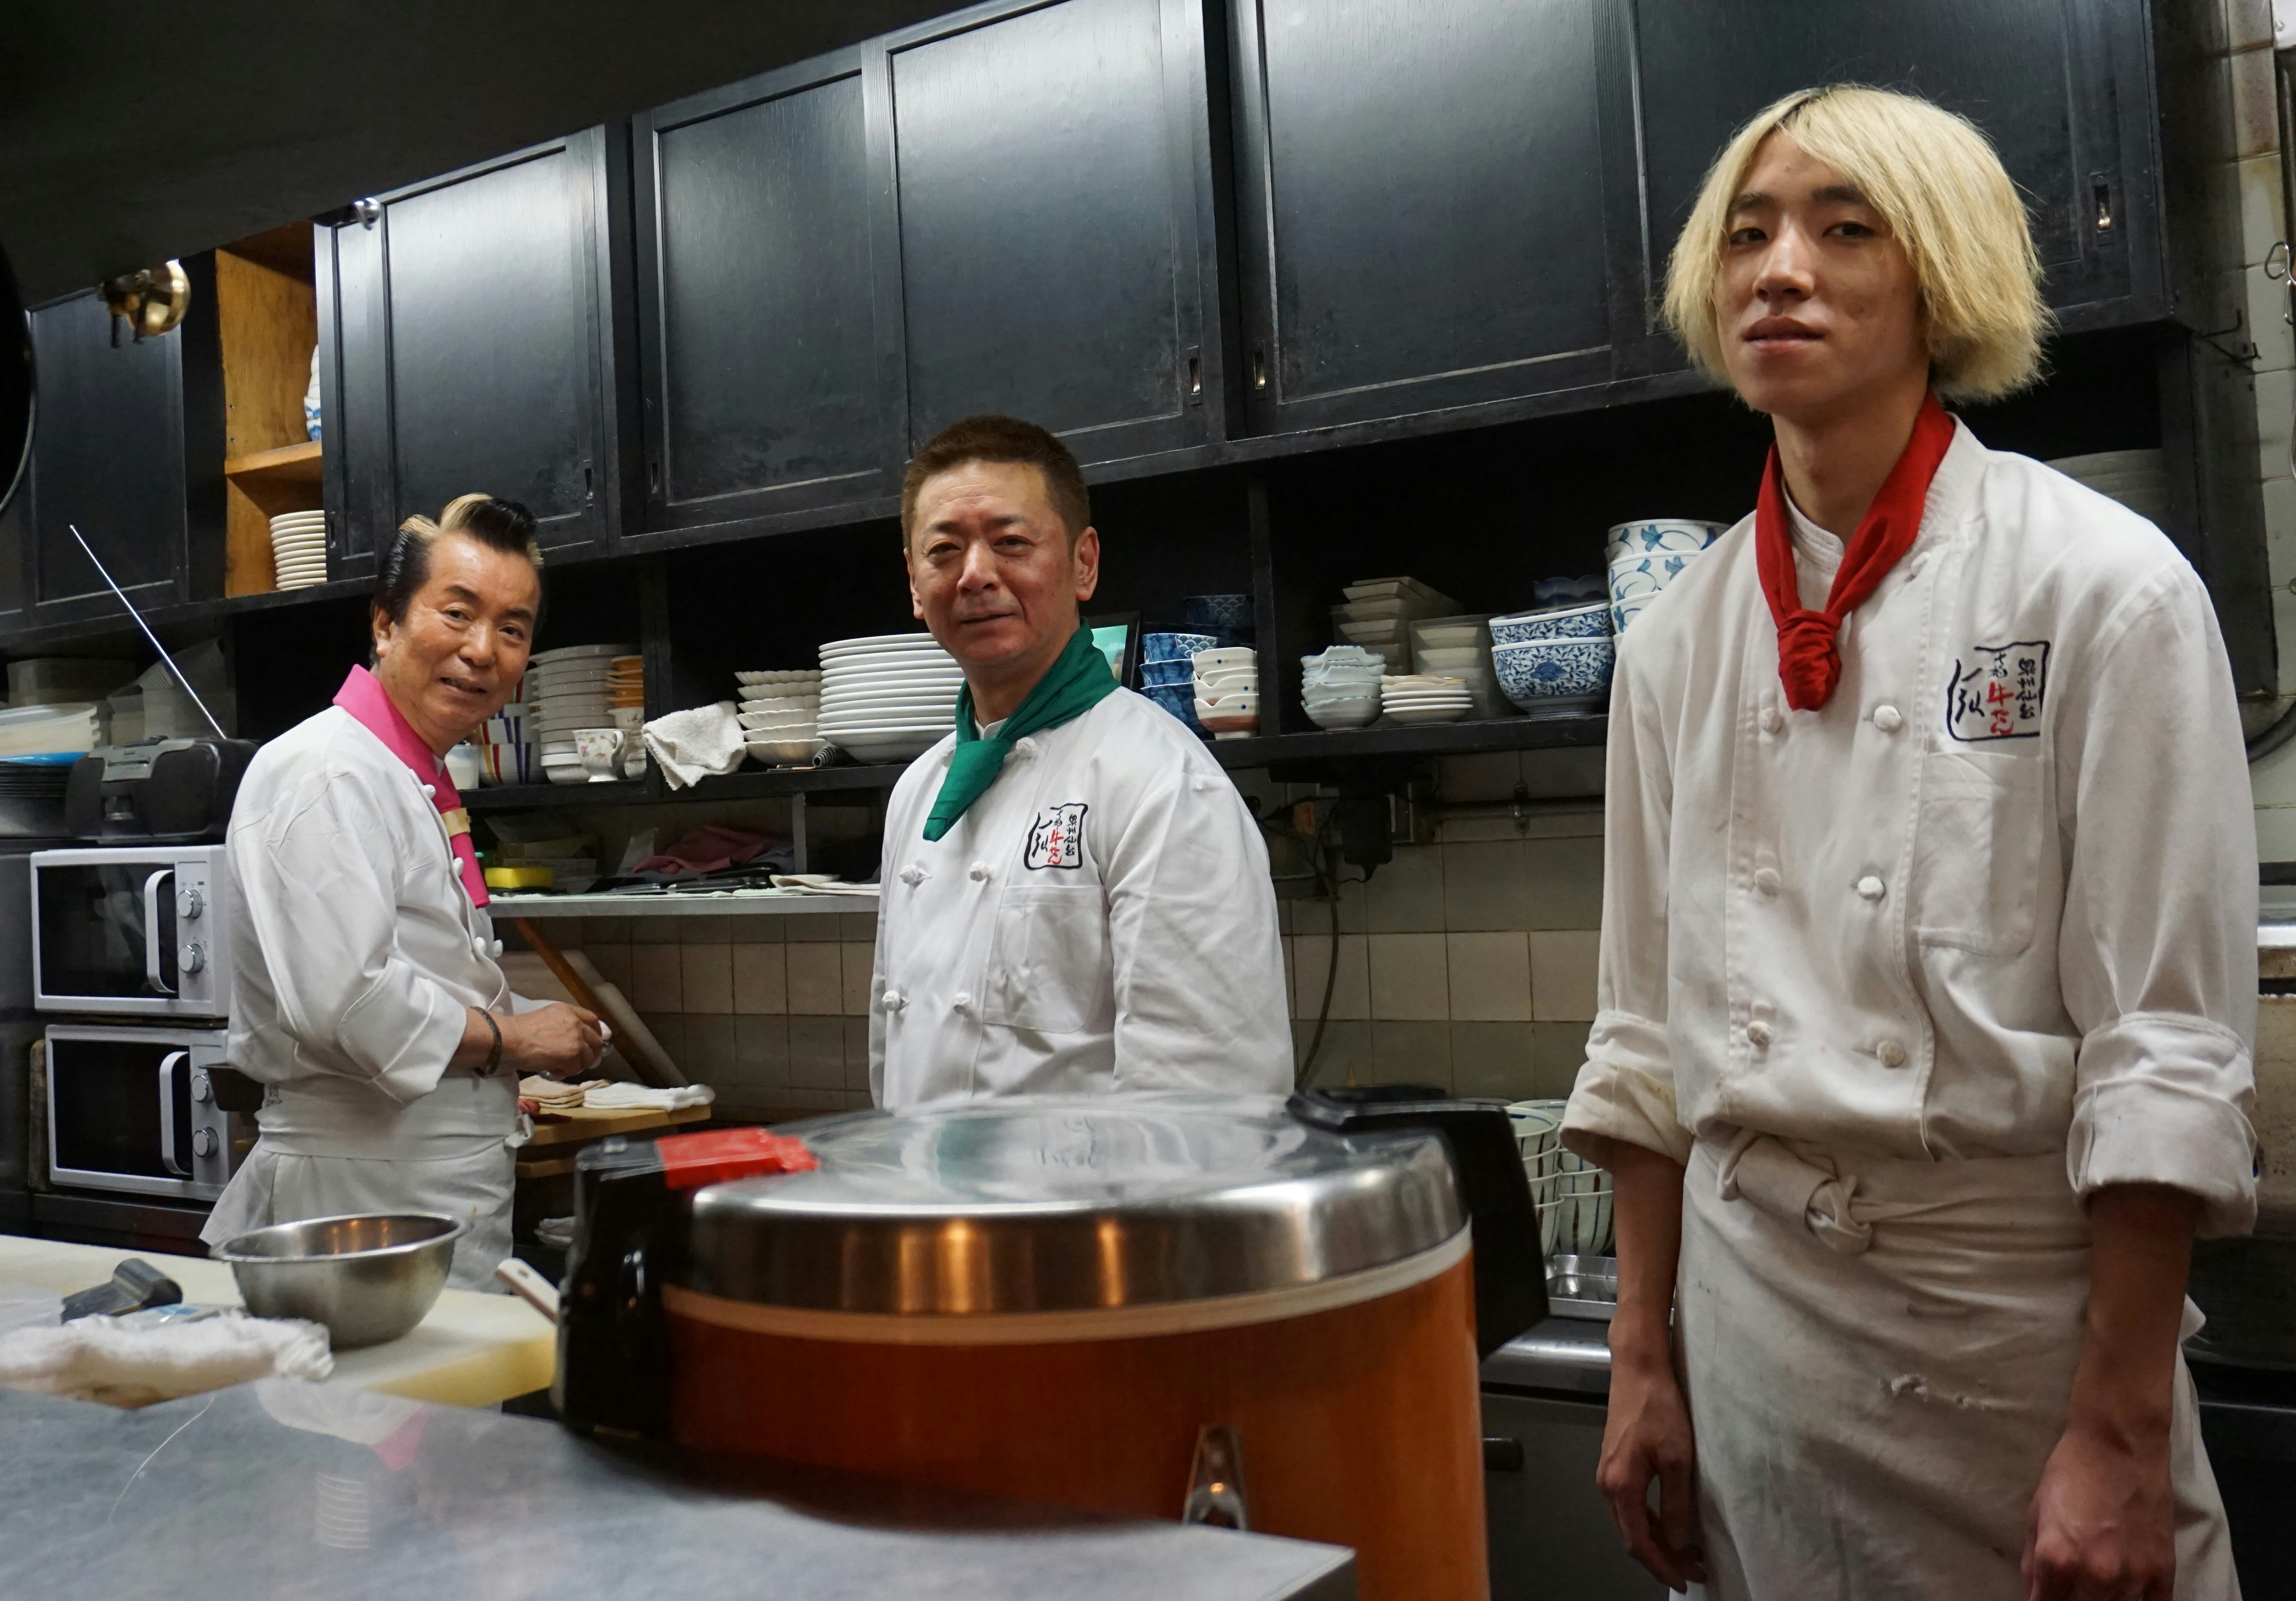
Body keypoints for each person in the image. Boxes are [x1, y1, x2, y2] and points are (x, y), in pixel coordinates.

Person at [1562, 85, 2254, 1600]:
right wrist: (1638, 1359)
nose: (1778, 269)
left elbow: (2162, 1051)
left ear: (1937, 277)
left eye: (1840, 225)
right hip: (1754, 1346)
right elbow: (1639, 1037)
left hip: (2009, 1346)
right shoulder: (1677, 641)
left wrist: (2120, 1432)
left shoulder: (2099, 589)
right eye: (1746, 234)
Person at [200, 495, 606, 1289]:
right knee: (374, 1415)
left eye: (514, 629)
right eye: (457, 613)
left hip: (422, 1190)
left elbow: (405, 972)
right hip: (356, 1198)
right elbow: (347, 1002)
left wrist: (515, 1036)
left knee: (443, 1410)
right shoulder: (323, 771)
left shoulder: (413, 773)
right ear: (385, 623)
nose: (483, 650)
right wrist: (516, 1041)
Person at [869, 415, 1291, 1108]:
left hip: (1080, 1216)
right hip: (928, 1211)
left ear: (1084, 562)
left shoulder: (1159, 781)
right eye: (943, 551)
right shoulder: (918, 791)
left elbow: (1207, 1104)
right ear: (916, 584)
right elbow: (894, 1065)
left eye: (1011, 543)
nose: (975, 575)